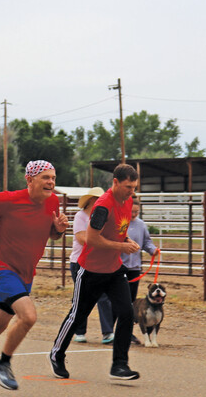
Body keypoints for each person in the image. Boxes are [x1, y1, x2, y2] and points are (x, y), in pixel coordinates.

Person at [0, 160, 69, 396]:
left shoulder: (52, 202)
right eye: (45, 177)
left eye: (53, 177)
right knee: (28, 316)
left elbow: (52, 236)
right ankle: (3, 364)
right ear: (30, 180)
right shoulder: (9, 199)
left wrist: (58, 229)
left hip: (25, 272)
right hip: (1, 266)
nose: (51, 182)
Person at [50, 163, 141, 381]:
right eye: (128, 186)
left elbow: (117, 230)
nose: (132, 191)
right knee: (78, 314)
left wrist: (125, 240)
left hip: (114, 269)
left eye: (135, 186)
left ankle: (119, 365)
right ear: (115, 182)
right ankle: (57, 354)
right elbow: (91, 239)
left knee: (126, 313)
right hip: (90, 270)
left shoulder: (128, 202)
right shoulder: (103, 206)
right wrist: (121, 246)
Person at [69, 187, 115, 345]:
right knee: (82, 297)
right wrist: (101, 242)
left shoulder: (104, 216)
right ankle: (79, 331)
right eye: (97, 199)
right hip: (80, 262)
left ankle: (108, 332)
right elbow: (82, 238)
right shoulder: (80, 216)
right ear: (90, 201)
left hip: (99, 262)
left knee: (103, 297)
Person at [120, 196, 160, 304]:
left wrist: (153, 250)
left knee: (132, 298)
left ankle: (128, 320)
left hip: (134, 267)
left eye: (136, 212)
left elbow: (146, 241)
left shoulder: (141, 224)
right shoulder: (121, 222)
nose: (133, 214)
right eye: (131, 211)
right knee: (120, 298)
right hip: (119, 266)